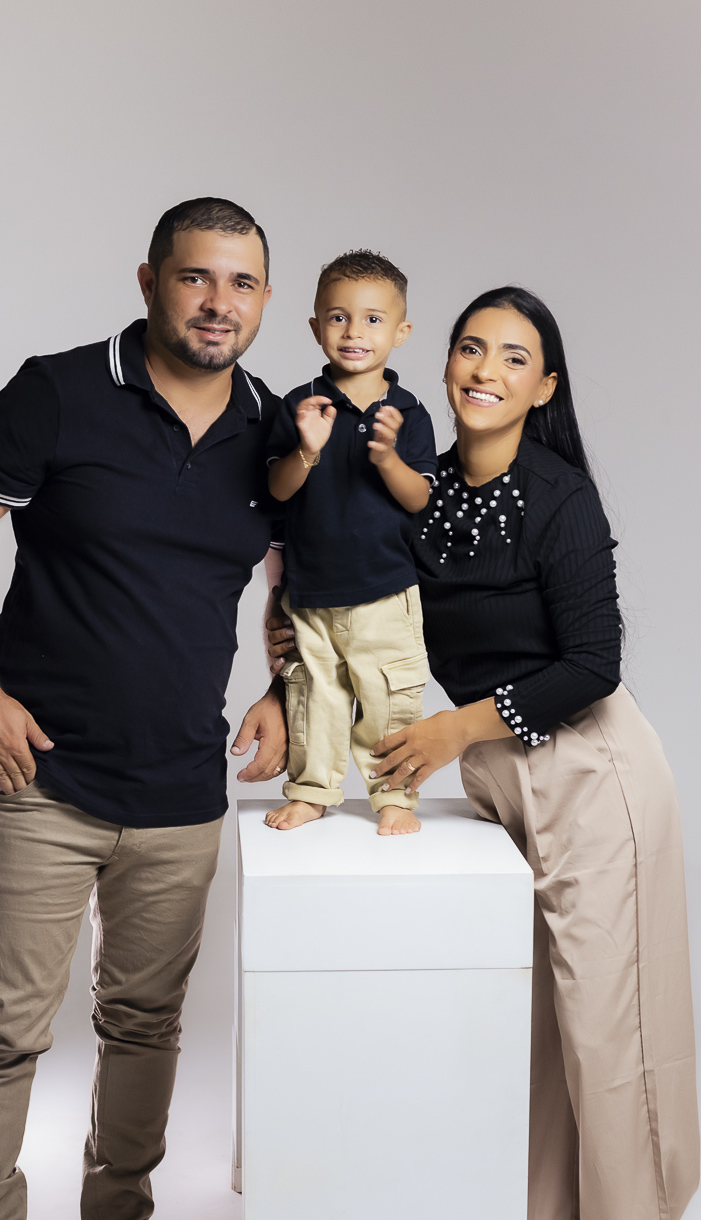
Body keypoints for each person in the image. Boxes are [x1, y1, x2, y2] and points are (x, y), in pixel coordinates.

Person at [268, 285, 699, 1220]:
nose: (485, 370)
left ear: (543, 387)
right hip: (501, 781)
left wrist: (454, 728)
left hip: (591, 773)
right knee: (543, 1049)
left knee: (610, 1047)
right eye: (471, 347)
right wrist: (276, 683)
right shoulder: (417, 486)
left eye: (513, 357)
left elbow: (592, 664)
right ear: (443, 360)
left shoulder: (557, 496)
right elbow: (340, 594)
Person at [0, 197, 288, 1220]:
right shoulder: (61, 392)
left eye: (242, 283)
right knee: (1, 1030)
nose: (217, 302)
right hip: (39, 779)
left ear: (264, 299)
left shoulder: (274, 429)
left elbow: (300, 574)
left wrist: (284, 686)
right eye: (196, 276)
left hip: (183, 790)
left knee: (146, 1027)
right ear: (151, 280)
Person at [263, 250, 437, 836]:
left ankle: (395, 797)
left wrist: (388, 457)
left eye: (372, 319)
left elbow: (418, 498)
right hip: (311, 591)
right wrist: (306, 449)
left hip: (386, 591)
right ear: (316, 327)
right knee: (314, 698)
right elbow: (277, 490)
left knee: (389, 701)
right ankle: (312, 792)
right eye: (338, 317)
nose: (354, 332)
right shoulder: (300, 405)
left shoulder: (409, 413)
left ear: (400, 332)